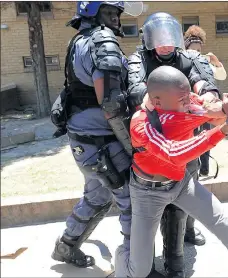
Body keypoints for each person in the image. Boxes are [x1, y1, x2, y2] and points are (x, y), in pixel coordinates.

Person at [115, 65, 228, 278]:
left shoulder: (187, 101)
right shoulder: (141, 123)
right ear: (157, 101)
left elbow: (213, 111)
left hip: (181, 184)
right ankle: (121, 257)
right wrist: (224, 129)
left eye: (189, 96)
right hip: (147, 193)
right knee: (139, 270)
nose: (190, 101)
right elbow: (173, 152)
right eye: (183, 100)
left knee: (225, 226)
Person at [125, 12, 224, 275]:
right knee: (152, 209)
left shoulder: (189, 57)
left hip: (185, 138)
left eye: (170, 39)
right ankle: (145, 261)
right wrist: (162, 97)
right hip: (151, 139)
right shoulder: (138, 60)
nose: (165, 45)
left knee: (183, 200)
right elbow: (134, 89)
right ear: (149, 40)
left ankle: (176, 262)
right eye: (159, 40)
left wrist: (207, 95)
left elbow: (203, 80)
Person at [49, 1, 142, 268]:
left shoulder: (79, 40)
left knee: (97, 197)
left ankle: (65, 247)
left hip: (83, 141)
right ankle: (135, 266)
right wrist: (136, 145)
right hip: (103, 142)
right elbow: (111, 104)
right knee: (131, 201)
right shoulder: (102, 41)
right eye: (110, 12)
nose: (115, 18)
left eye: (117, 13)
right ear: (93, 13)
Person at [183, 24, 227, 178]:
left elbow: (221, 76)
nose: (196, 53)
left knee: (205, 135)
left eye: (198, 50)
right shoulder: (182, 62)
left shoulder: (204, 63)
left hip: (206, 106)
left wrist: (216, 62)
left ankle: (205, 168)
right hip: (188, 109)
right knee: (191, 138)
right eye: (192, 50)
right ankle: (193, 171)